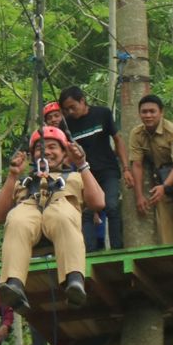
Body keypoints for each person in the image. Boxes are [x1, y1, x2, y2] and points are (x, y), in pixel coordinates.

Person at [0, 126, 105, 312]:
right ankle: (14, 283)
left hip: (60, 210)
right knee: (16, 219)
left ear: (64, 153)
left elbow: (99, 203)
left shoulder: (75, 176)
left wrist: (82, 164)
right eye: (40, 148)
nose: (46, 152)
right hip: (30, 211)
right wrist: (13, 175)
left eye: (53, 147)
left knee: (62, 215)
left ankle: (74, 279)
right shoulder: (23, 182)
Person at [59, 86, 133, 251]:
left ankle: (117, 249)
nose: (70, 111)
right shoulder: (65, 125)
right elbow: (64, 153)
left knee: (112, 206)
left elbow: (118, 140)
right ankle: (89, 253)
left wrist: (126, 168)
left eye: (73, 107)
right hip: (84, 174)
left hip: (108, 170)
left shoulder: (102, 114)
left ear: (82, 101)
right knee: (86, 213)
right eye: (66, 109)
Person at [128, 94, 173, 243]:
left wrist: (165, 186)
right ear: (139, 113)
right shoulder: (136, 133)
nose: (148, 115)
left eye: (152, 111)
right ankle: (169, 263)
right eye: (144, 112)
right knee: (164, 227)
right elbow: (136, 165)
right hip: (159, 179)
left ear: (161, 112)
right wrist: (139, 196)